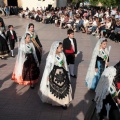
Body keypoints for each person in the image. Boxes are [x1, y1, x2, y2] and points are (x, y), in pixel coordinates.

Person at [38, 41, 72, 109]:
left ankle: (63, 102)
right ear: (56, 48)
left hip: (62, 73)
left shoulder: (62, 55)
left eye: (62, 47)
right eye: (60, 47)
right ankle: (55, 101)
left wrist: (66, 72)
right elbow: (48, 67)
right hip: (54, 74)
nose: (62, 49)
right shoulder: (51, 56)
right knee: (55, 88)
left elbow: (64, 64)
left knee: (63, 88)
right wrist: (48, 75)